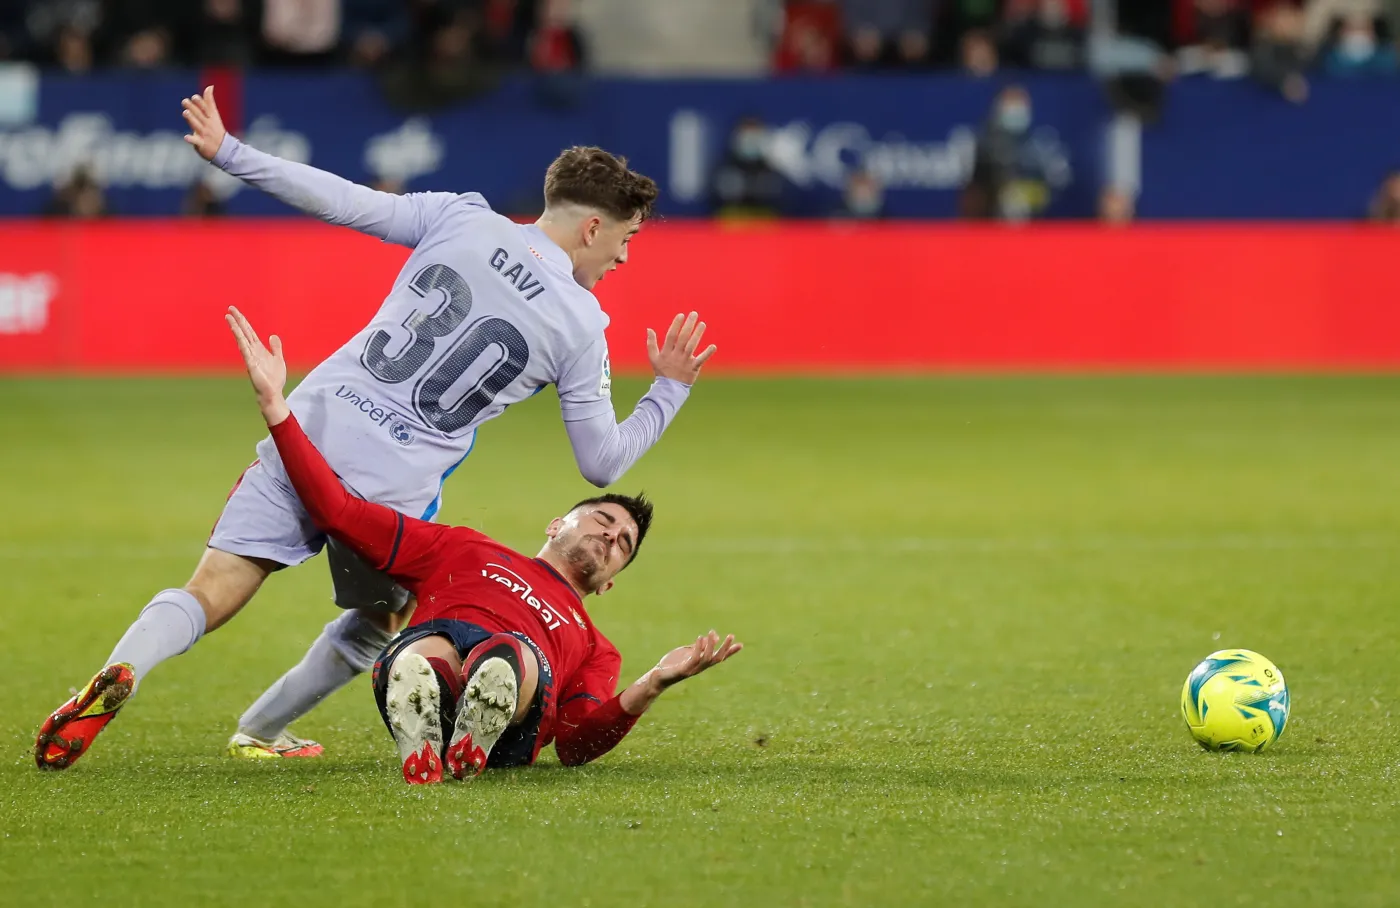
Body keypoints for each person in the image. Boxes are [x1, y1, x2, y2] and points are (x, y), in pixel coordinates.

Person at [34, 86, 716, 771]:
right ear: (593, 228)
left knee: (212, 588)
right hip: (393, 489)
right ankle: (262, 728)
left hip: (310, 428)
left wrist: (231, 153)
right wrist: (668, 391)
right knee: (378, 624)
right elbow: (601, 463)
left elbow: (342, 198)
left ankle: (123, 668)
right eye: (625, 240)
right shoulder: (583, 328)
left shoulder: (461, 217)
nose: (623, 260)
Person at [228, 308, 742, 783]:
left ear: (609, 583)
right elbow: (338, 511)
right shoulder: (462, 549)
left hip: (519, 708)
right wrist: (277, 408)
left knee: (506, 652)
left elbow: (577, 744)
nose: (610, 535)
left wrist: (652, 682)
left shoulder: (593, 646)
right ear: (555, 524)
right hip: (438, 660)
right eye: (603, 520)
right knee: (431, 650)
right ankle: (431, 722)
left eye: (622, 543)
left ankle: (472, 712)